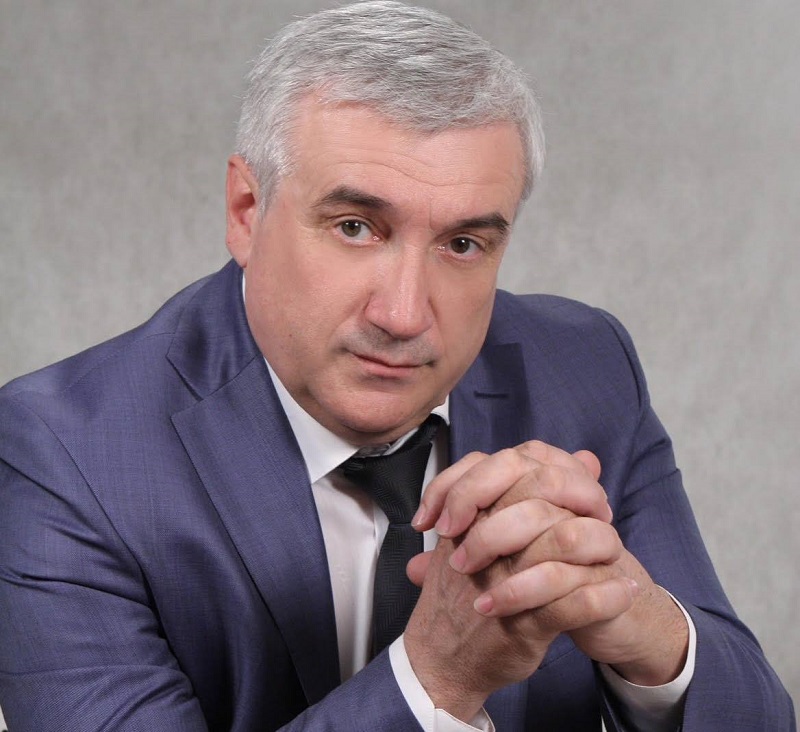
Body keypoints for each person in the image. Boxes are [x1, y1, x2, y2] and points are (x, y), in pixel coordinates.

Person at [0, 2, 793, 730]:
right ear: (246, 211)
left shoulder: (585, 368)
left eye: (463, 244)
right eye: (355, 226)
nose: (404, 315)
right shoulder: (61, 455)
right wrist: (435, 679)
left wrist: (641, 627)